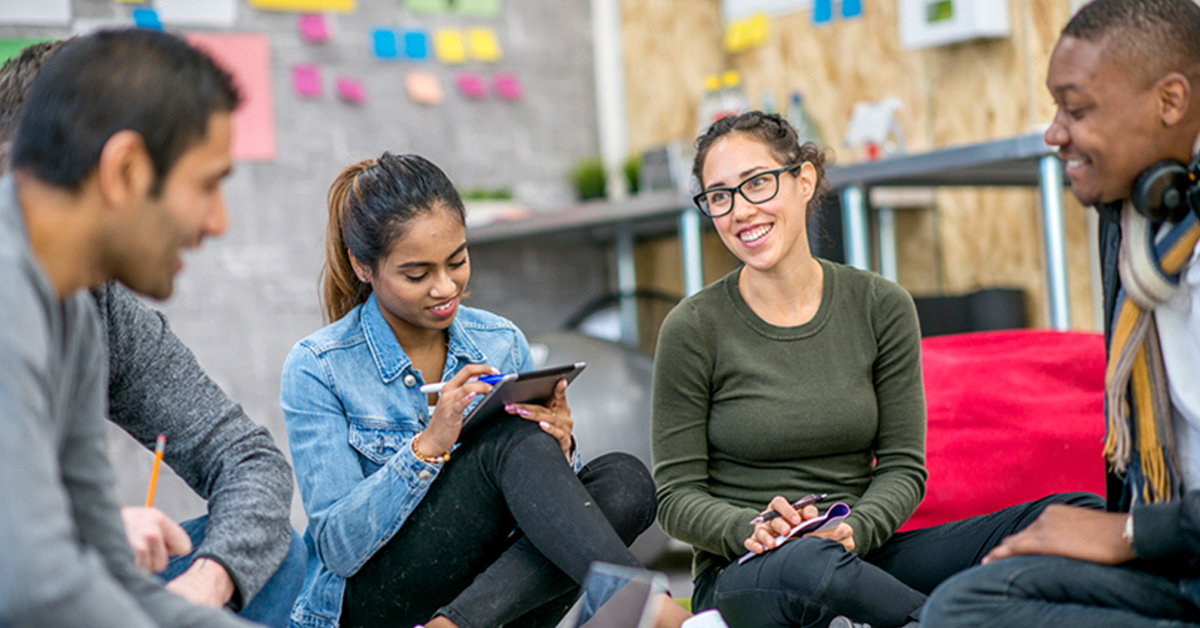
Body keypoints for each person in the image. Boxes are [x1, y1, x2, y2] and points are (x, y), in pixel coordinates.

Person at [650, 110, 1103, 628]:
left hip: (860, 552)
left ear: (804, 180)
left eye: (757, 184)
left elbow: (904, 468)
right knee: (807, 564)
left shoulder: (880, 304)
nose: (740, 211)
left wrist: (855, 530)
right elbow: (676, 496)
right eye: (720, 196)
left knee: (1072, 515)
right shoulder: (692, 327)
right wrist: (750, 528)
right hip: (749, 569)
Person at [280, 152, 695, 628]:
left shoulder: (499, 340)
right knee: (510, 441)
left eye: (457, 261)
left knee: (626, 483)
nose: (445, 287)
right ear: (362, 265)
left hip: (479, 598)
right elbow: (337, 548)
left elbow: (552, 519)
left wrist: (558, 446)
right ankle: (653, 610)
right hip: (375, 603)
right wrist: (427, 448)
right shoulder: (319, 366)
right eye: (417, 275)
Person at [0, 39, 305, 627]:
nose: (217, 222)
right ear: (126, 170)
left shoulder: (74, 307)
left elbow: (111, 575)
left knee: (278, 556)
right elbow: (36, 588)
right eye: (207, 185)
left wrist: (210, 587)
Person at [921, 1, 1200, 625]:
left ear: (1171, 101)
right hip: (1182, 558)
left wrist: (1131, 534)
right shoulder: (1137, 220)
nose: (1054, 132)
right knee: (969, 603)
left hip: (1168, 539)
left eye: (1077, 109)